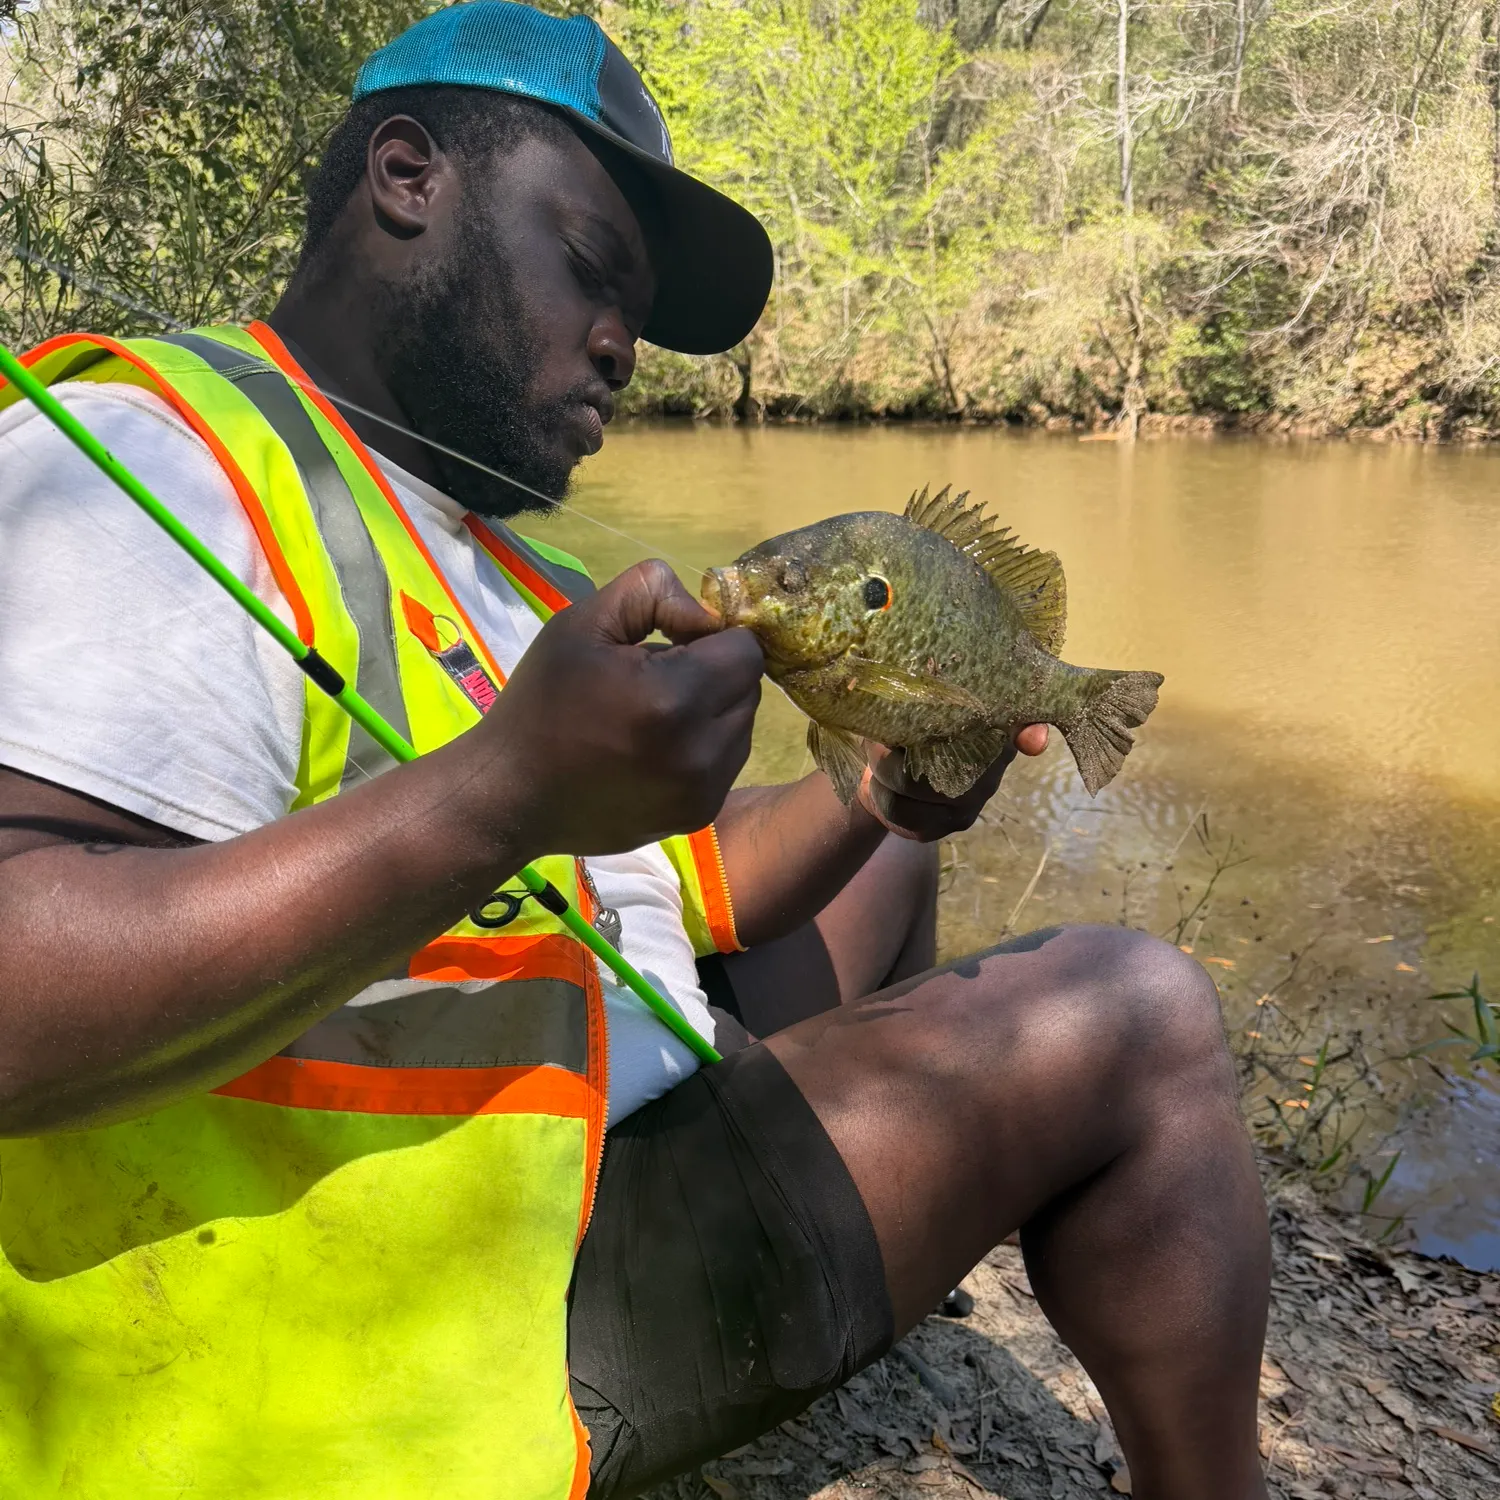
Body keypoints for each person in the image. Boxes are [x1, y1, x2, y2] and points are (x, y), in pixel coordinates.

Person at [0, 4, 1271, 1497]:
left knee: (896, 858)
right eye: (594, 271)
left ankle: (871, 1249)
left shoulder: (497, 562)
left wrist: (884, 780)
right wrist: (499, 795)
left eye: (639, 318)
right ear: (409, 177)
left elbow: (683, 886)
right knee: (1140, 1005)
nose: (620, 347)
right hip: (434, 1329)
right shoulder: (157, 469)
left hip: (606, 1106)